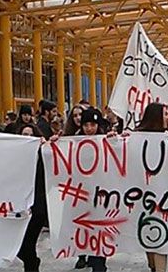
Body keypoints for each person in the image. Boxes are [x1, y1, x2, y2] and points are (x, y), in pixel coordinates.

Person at [135, 102, 168, 272]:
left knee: (161, 239)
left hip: (164, 198)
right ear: (156, 117)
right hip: (142, 196)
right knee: (149, 236)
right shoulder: (137, 137)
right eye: (165, 114)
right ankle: (154, 267)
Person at [73, 108, 108, 272]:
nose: (89, 128)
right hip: (81, 195)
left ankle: (99, 263)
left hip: (102, 197)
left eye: (93, 124)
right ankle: (86, 256)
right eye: (86, 124)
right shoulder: (72, 142)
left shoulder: (107, 141)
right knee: (85, 228)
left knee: (100, 229)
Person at [16, 124, 48, 272]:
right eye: (24, 135)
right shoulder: (14, 156)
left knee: (27, 244)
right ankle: (33, 264)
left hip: (37, 209)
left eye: (30, 135)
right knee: (19, 247)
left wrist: (48, 145)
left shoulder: (43, 153)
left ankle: (32, 266)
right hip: (19, 208)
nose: (27, 138)